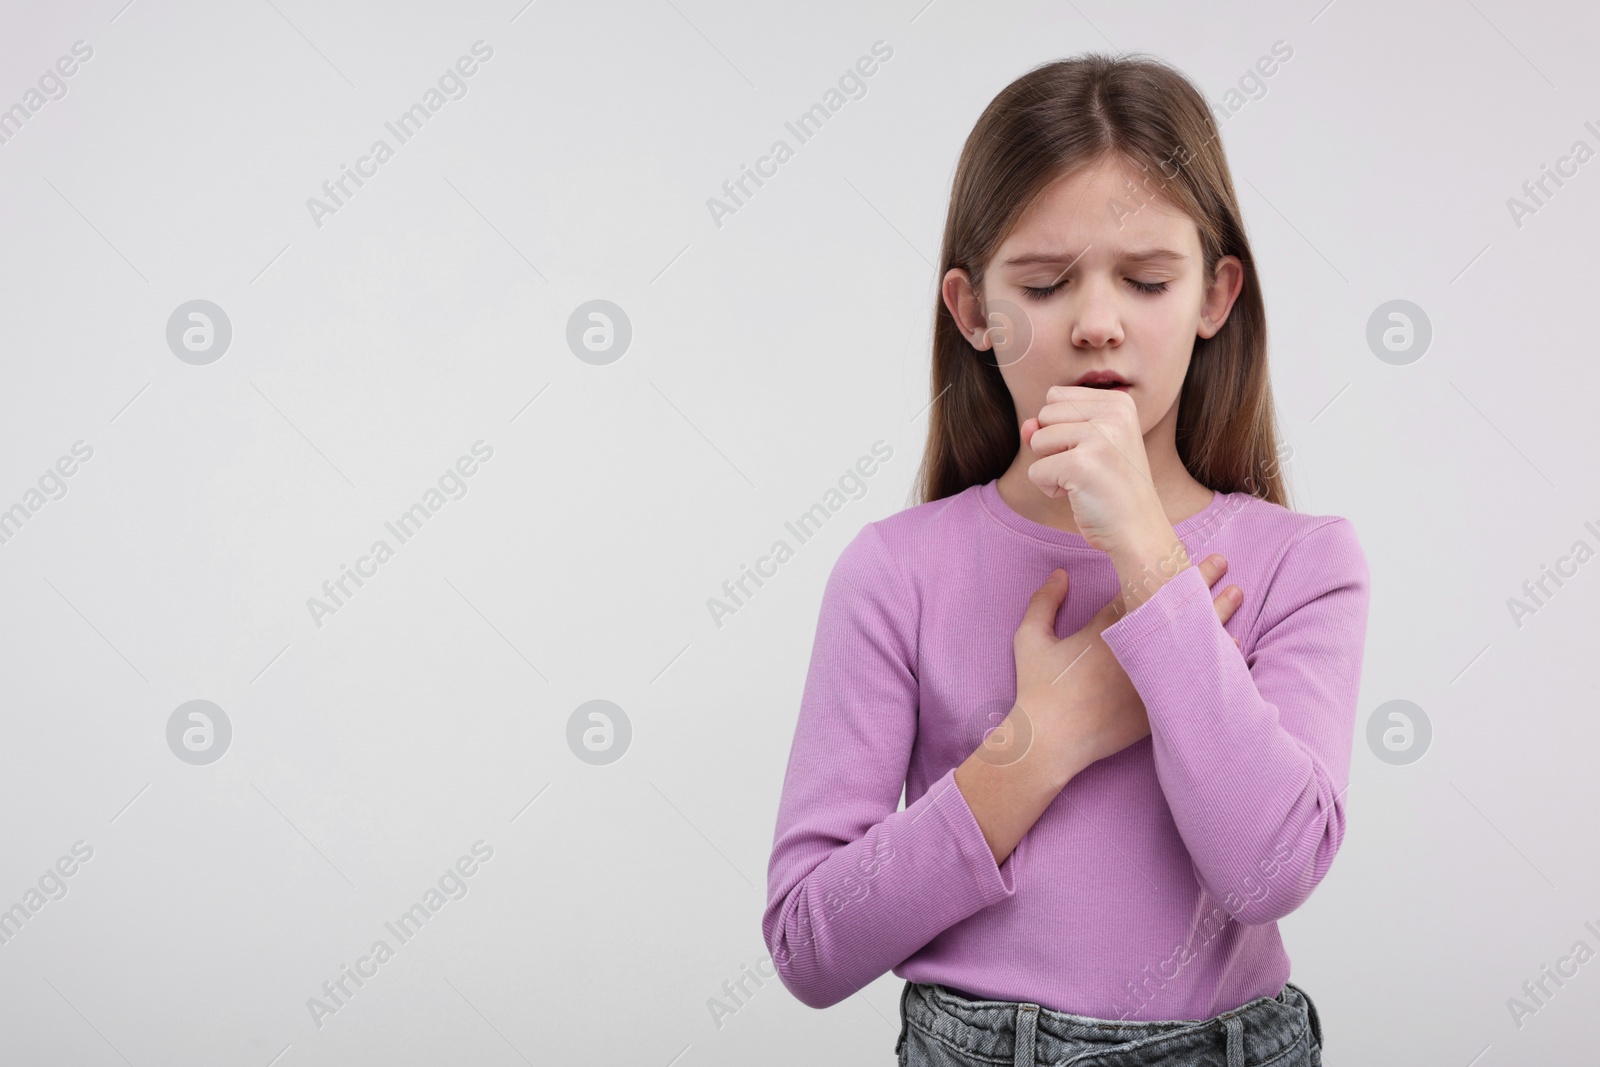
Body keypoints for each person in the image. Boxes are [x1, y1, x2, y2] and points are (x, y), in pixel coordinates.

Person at [761, 52, 1369, 1066]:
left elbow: (1268, 871)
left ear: (1217, 295)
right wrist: (1033, 747)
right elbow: (808, 943)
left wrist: (1144, 552)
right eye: (1044, 283)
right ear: (971, 311)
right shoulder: (894, 570)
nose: (1097, 322)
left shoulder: (1304, 562)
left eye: (1146, 279)